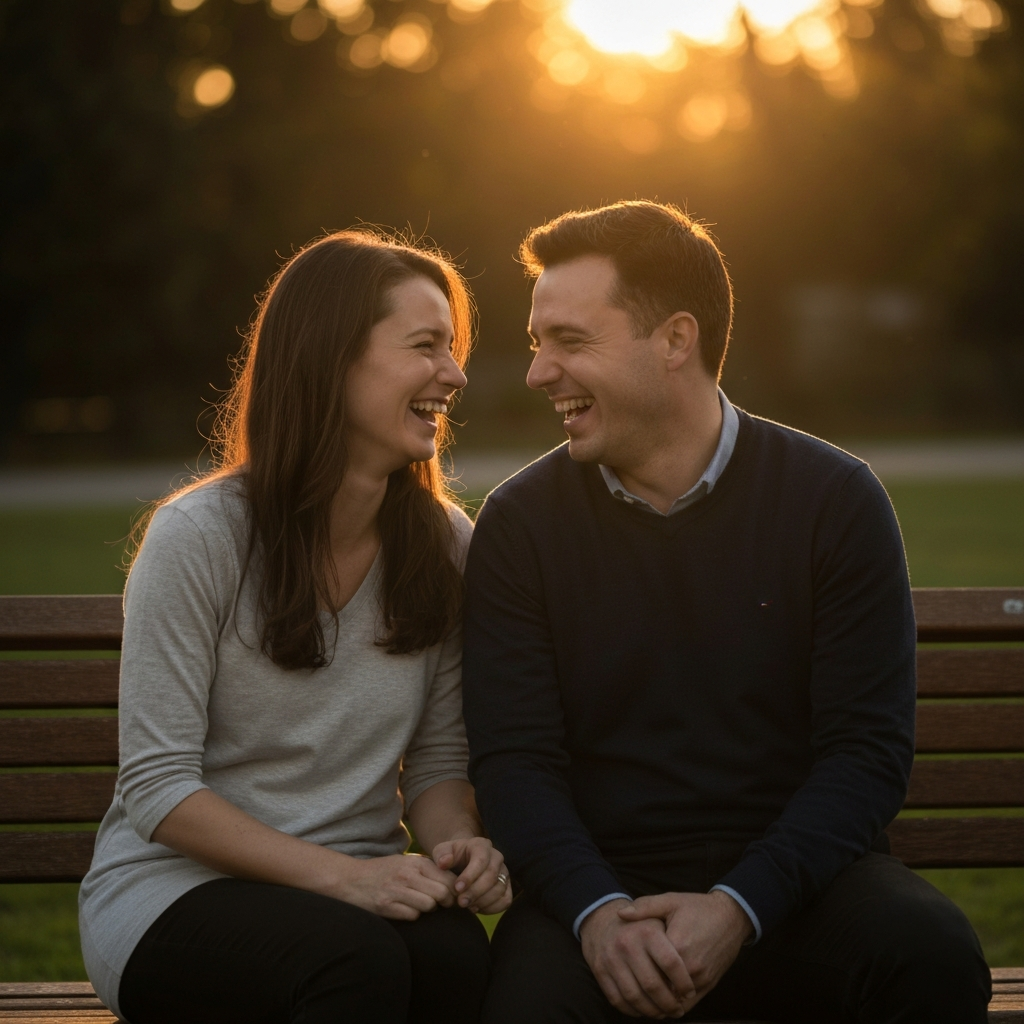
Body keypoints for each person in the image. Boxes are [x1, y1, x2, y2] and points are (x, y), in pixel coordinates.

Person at [461, 201, 991, 1023]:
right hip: (601, 894)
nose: (537, 374)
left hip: (796, 887)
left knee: (930, 955)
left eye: (569, 341)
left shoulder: (833, 500)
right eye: (539, 344)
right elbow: (515, 766)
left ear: (676, 340)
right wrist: (597, 915)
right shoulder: (521, 523)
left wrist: (738, 906)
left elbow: (865, 753)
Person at [78, 229, 512, 1024]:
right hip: (173, 895)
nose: (453, 375)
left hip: (353, 892)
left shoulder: (447, 546)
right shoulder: (200, 538)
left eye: (451, 349)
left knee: (453, 958)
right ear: (333, 358)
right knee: (352, 964)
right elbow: (158, 788)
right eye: (425, 346)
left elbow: (441, 759)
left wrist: (458, 843)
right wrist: (347, 879)